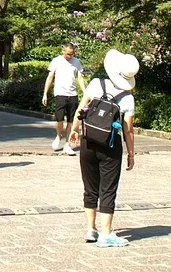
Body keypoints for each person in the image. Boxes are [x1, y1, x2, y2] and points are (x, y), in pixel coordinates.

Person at [67, 49, 137, 247]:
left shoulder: (96, 83)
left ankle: (91, 229)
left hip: (88, 142)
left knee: (90, 187)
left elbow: (81, 109)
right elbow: (128, 130)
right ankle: (106, 234)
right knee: (107, 189)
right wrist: (131, 153)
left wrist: (74, 130)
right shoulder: (127, 99)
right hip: (111, 147)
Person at [42, 42, 86, 155]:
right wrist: (45, 94)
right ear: (63, 51)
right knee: (59, 118)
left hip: (72, 94)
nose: (69, 56)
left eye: (71, 54)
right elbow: (50, 77)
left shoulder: (76, 62)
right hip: (60, 93)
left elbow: (80, 78)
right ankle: (58, 135)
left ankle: (67, 144)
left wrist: (85, 92)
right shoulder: (56, 61)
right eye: (67, 54)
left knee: (71, 120)